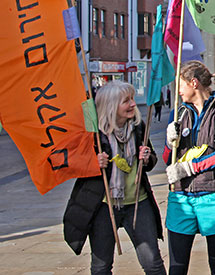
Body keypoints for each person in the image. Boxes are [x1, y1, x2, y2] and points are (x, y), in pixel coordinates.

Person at [63, 81, 165, 275]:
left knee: (153, 263)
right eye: (126, 101)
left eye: (132, 99)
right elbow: (74, 163)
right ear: (110, 105)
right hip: (104, 205)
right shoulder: (93, 134)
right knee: (101, 267)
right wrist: (93, 163)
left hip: (137, 203)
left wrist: (147, 157)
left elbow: (149, 162)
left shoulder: (138, 127)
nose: (133, 104)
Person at [163, 62, 215, 275]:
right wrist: (171, 142)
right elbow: (166, 159)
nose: (178, 90)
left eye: (181, 84)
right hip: (181, 196)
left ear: (193, 83)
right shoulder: (177, 114)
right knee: (177, 267)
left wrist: (190, 167)